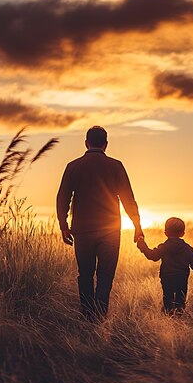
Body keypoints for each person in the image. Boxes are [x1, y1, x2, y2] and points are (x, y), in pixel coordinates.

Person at [56, 126, 143, 321]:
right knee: (105, 275)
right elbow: (128, 199)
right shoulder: (116, 166)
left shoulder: (73, 166)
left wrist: (63, 224)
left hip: (82, 230)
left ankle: (87, 315)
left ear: (86, 143)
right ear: (106, 144)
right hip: (110, 231)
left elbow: (63, 197)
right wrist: (137, 225)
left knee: (85, 274)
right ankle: (100, 316)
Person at [137, 217, 193, 316]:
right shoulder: (188, 248)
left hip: (167, 278)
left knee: (168, 298)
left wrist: (143, 246)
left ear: (165, 233)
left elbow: (152, 256)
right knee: (180, 299)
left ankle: (168, 316)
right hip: (182, 278)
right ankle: (179, 317)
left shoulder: (163, 247)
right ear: (182, 233)